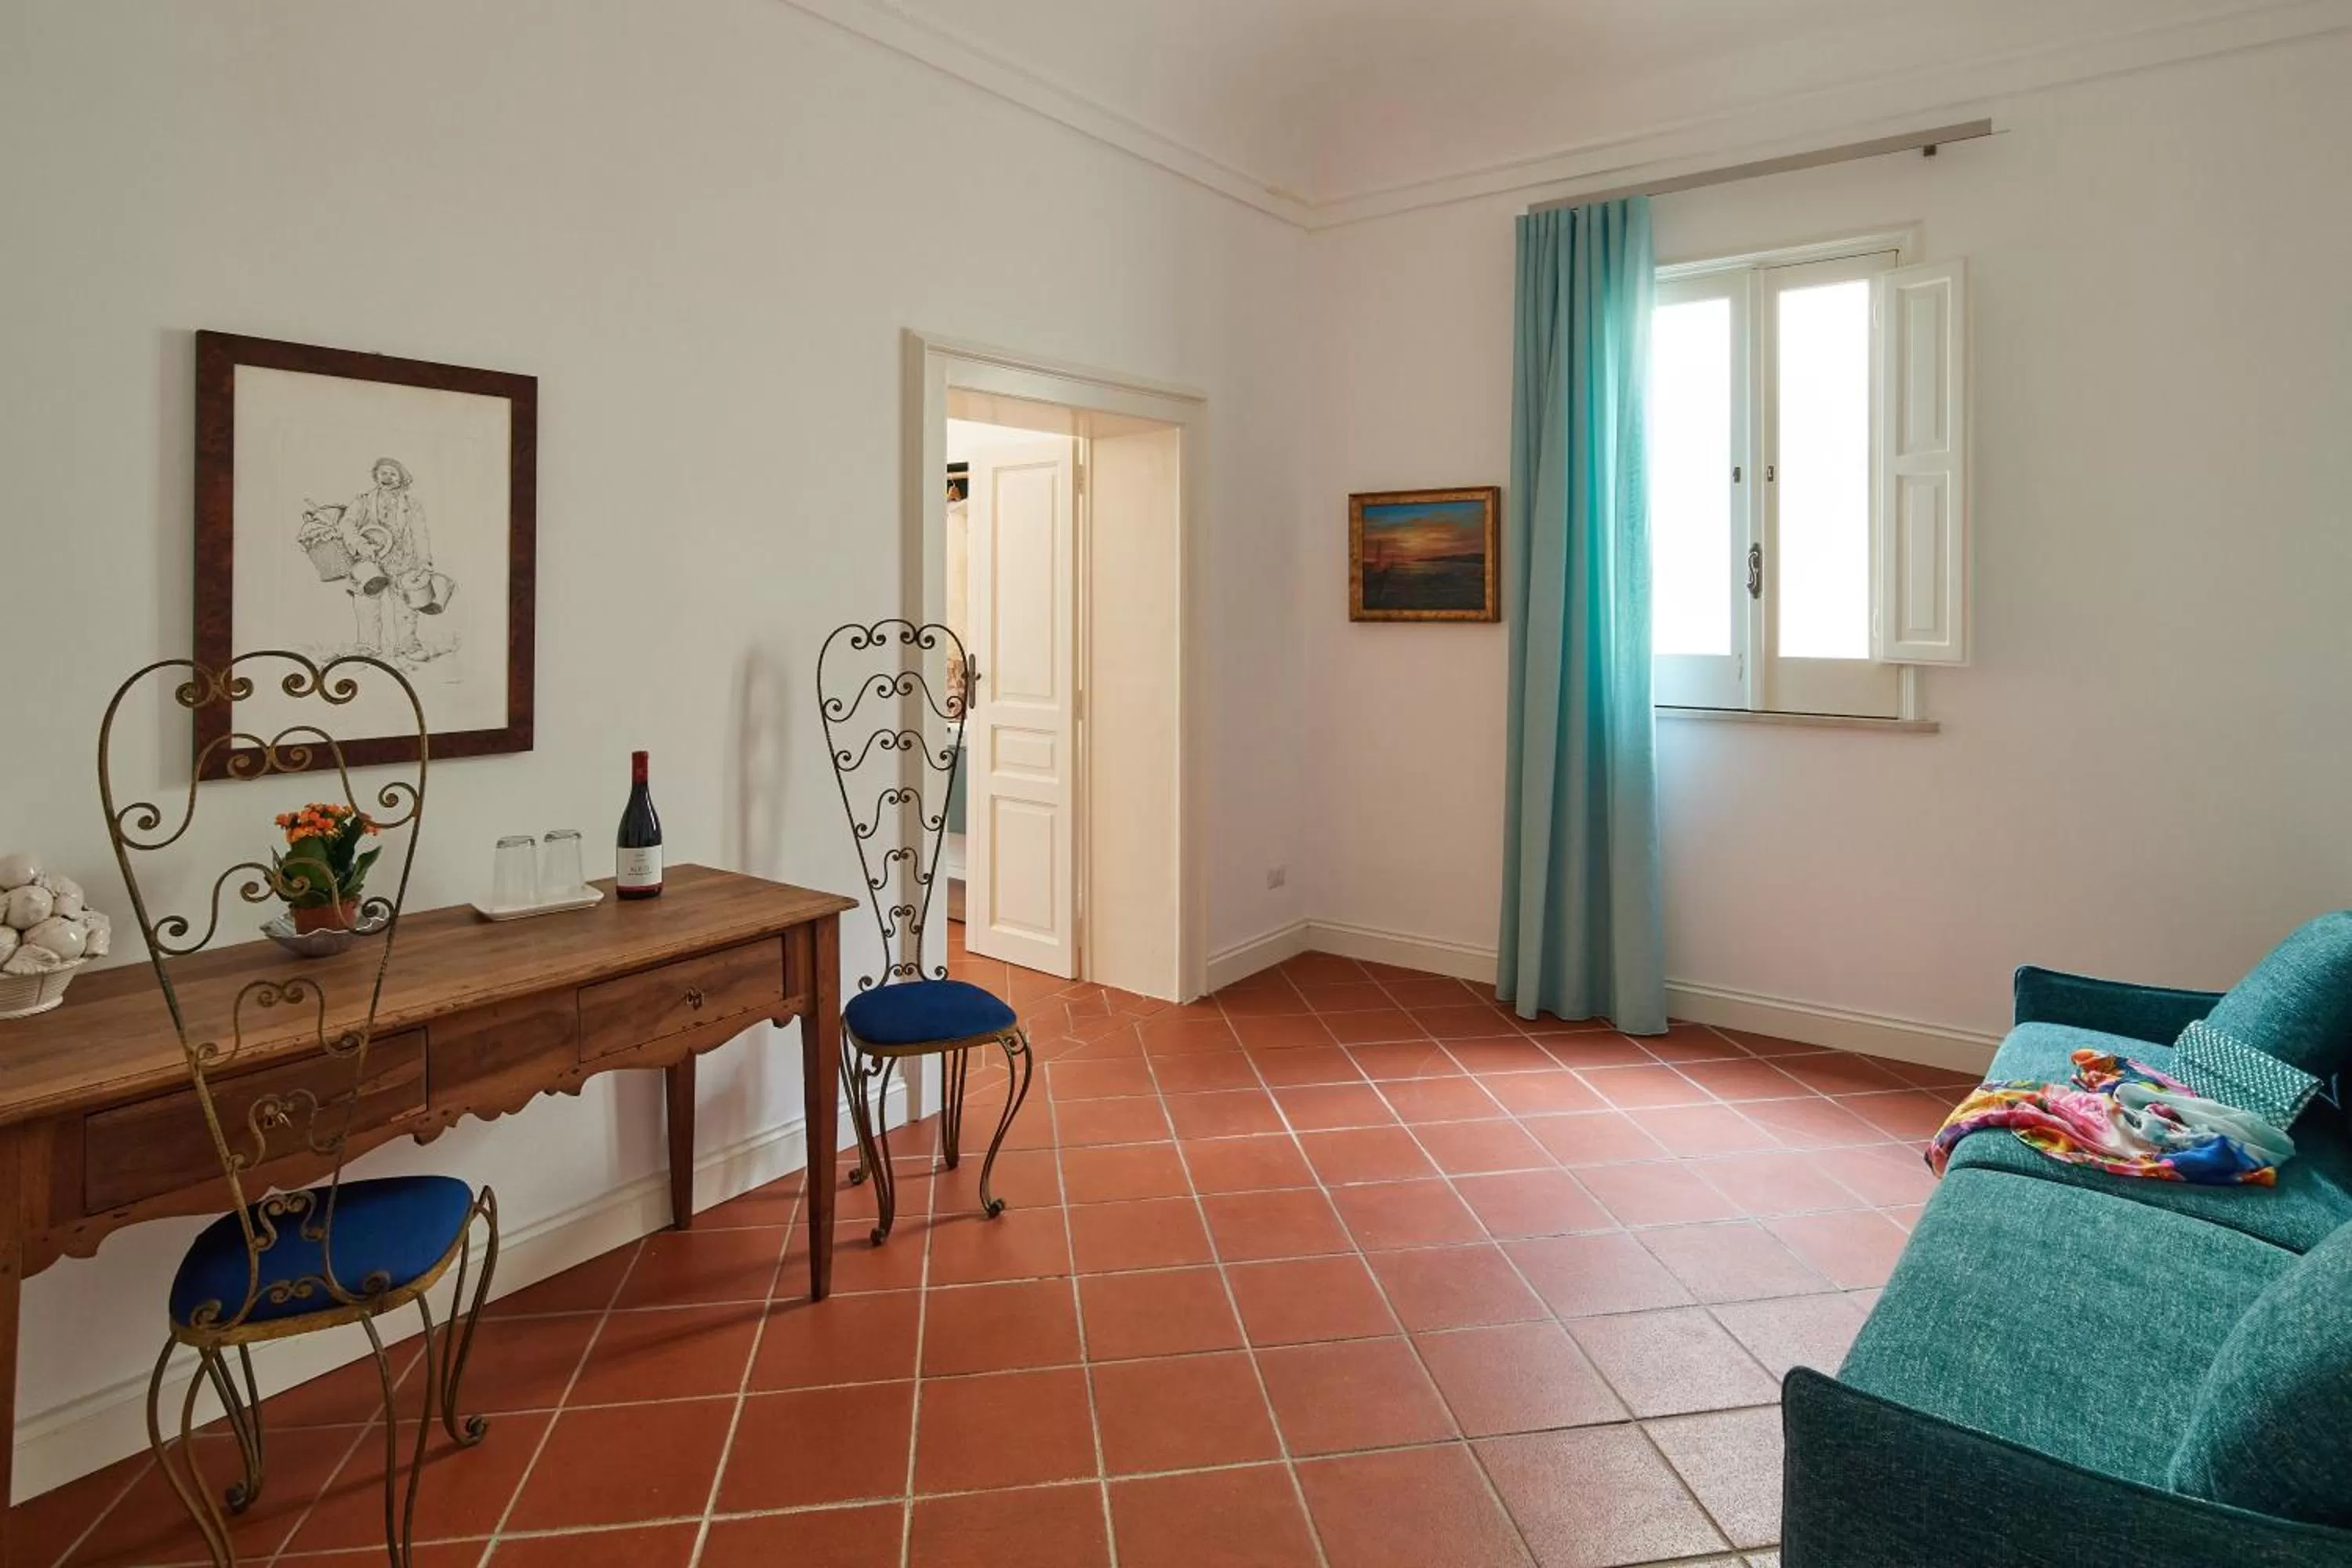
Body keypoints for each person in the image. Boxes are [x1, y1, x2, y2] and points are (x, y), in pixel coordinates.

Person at [339, 458, 433, 660]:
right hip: (370, 563)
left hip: (403, 561)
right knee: (366, 603)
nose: (387, 478)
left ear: (402, 478)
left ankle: (408, 646)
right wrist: (361, 545)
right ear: (376, 476)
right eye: (383, 473)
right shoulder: (363, 500)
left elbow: (420, 535)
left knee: (406, 605)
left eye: (392, 474)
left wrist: (425, 562)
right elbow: (347, 524)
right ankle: (368, 647)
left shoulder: (412, 505)